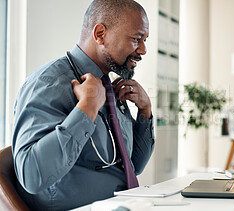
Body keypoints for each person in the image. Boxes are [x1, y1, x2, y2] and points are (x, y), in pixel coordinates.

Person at [11, 0, 154, 210]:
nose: (143, 50)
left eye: (144, 40)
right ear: (100, 34)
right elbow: (31, 176)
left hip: (124, 204)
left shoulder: (111, 87)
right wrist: (86, 109)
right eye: (136, 39)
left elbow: (134, 167)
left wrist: (145, 113)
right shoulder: (48, 84)